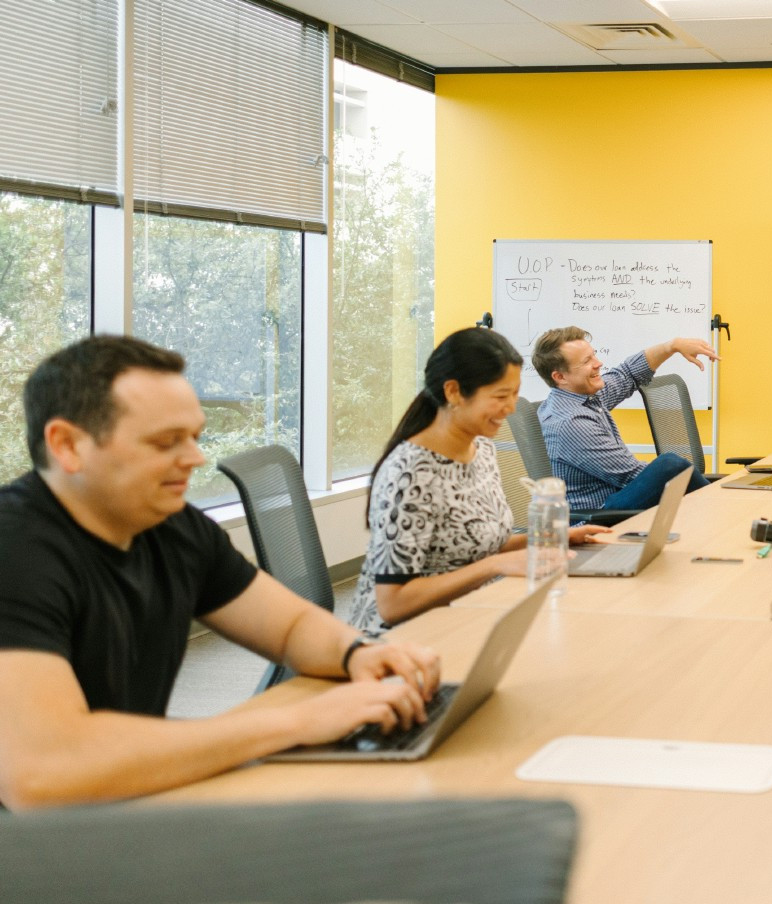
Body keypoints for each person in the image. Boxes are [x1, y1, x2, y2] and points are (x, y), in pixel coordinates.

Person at [0, 335, 441, 809]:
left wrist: (355, 654)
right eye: (167, 441)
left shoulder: (172, 527)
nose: (195, 459)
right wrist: (293, 723)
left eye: (195, 436)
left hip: (111, 810)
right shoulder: (14, 548)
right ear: (67, 445)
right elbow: (42, 772)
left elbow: (289, 626)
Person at [348, 328, 605, 635]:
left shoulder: (480, 448)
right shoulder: (411, 473)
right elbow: (393, 603)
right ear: (454, 392)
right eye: (500, 397)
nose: (511, 409)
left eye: (514, 395)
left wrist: (550, 538)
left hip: (471, 612)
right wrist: (494, 567)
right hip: (400, 641)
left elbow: (475, 545)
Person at [535, 326, 715, 512]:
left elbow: (628, 373)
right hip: (600, 515)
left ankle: (718, 507)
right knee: (670, 465)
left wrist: (673, 346)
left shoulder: (580, 396)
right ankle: (720, 507)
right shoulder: (571, 423)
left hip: (617, 497)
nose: (598, 363)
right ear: (560, 377)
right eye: (587, 361)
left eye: (594, 355)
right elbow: (631, 475)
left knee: (674, 471)